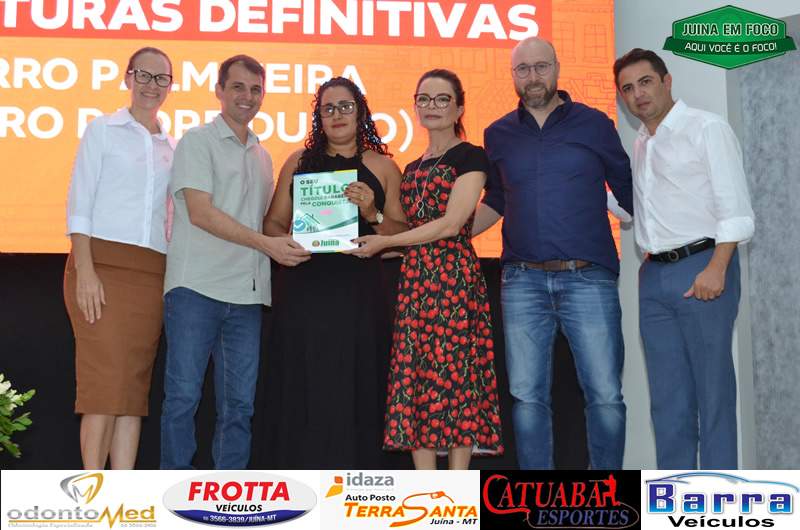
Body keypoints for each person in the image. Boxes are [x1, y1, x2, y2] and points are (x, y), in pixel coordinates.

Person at [473, 37, 633, 469]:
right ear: (513, 76)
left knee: (605, 395)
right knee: (526, 399)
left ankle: (606, 493)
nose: (533, 77)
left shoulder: (595, 124)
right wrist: (445, 236)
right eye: (523, 69)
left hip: (589, 279)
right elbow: (497, 200)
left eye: (541, 66)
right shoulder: (497, 134)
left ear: (557, 68)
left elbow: (630, 190)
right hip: (521, 282)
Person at [160, 55, 310, 469]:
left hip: (247, 295)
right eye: (238, 87)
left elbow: (269, 222)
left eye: (256, 89)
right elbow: (201, 213)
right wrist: (267, 243)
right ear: (219, 91)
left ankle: (229, 495)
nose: (248, 96)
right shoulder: (197, 141)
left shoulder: (263, 156)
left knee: (239, 407)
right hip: (195, 288)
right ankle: (171, 491)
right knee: (183, 398)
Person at [350, 69, 504, 470]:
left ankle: (455, 489)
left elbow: (452, 224)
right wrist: (374, 219)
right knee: (415, 378)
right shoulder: (413, 166)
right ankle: (425, 488)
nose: (431, 107)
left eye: (442, 99)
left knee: (456, 378)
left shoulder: (471, 156)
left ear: (460, 107)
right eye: (424, 99)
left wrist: (385, 242)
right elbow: (404, 227)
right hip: (416, 279)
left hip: (453, 279)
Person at [252, 77, 407, 469]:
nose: (337, 115)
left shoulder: (383, 167)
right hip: (304, 290)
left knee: (357, 384)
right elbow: (273, 223)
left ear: (361, 112)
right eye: (328, 108)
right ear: (318, 117)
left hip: (360, 295)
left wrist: (372, 213)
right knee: (304, 383)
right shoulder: (298, 162)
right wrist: (287, 243)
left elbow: (404, 236)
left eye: (345, 106)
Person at [614, 48, 754, 469]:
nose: (637, 94)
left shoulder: (706, 128)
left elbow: (736, 209)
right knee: (667, 401)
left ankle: (717, 495)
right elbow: (639, 208)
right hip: (653, 276)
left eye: (645, 82)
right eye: (627, 88)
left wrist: (718, 267)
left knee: (713, 395)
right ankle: (675, 496)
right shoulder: (641, 143)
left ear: (667, 81)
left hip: (703, 268)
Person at [64, 47, 175, 469]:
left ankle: (122, 496)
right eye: (143, 75)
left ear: (170, 86)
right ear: (128, 78)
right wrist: (85, 271)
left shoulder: (173, 146)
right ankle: (93, 492)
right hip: (101, 268)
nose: (151, 85)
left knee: (131, 392)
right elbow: (80, 202)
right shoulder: (102, 130)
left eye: (161, 78)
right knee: (103, 388)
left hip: (151, 275)